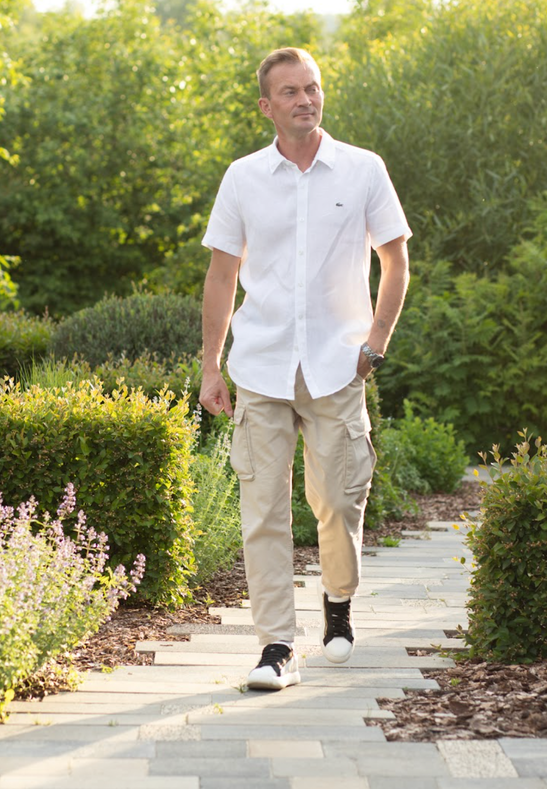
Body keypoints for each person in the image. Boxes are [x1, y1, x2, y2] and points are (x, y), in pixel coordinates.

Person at [199, 47, 411, 691]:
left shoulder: (364, 169)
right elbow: (222, 275)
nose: (305, 99)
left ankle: (337, 602)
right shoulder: (242, 178)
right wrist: (211, 365)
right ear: (267, 106)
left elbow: (395, 261)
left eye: (312, 88)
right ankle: (276, 647)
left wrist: (375, 342)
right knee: (263, 510)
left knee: (339, 500)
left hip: (338, 366)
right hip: (261, 367)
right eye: (290, 91)